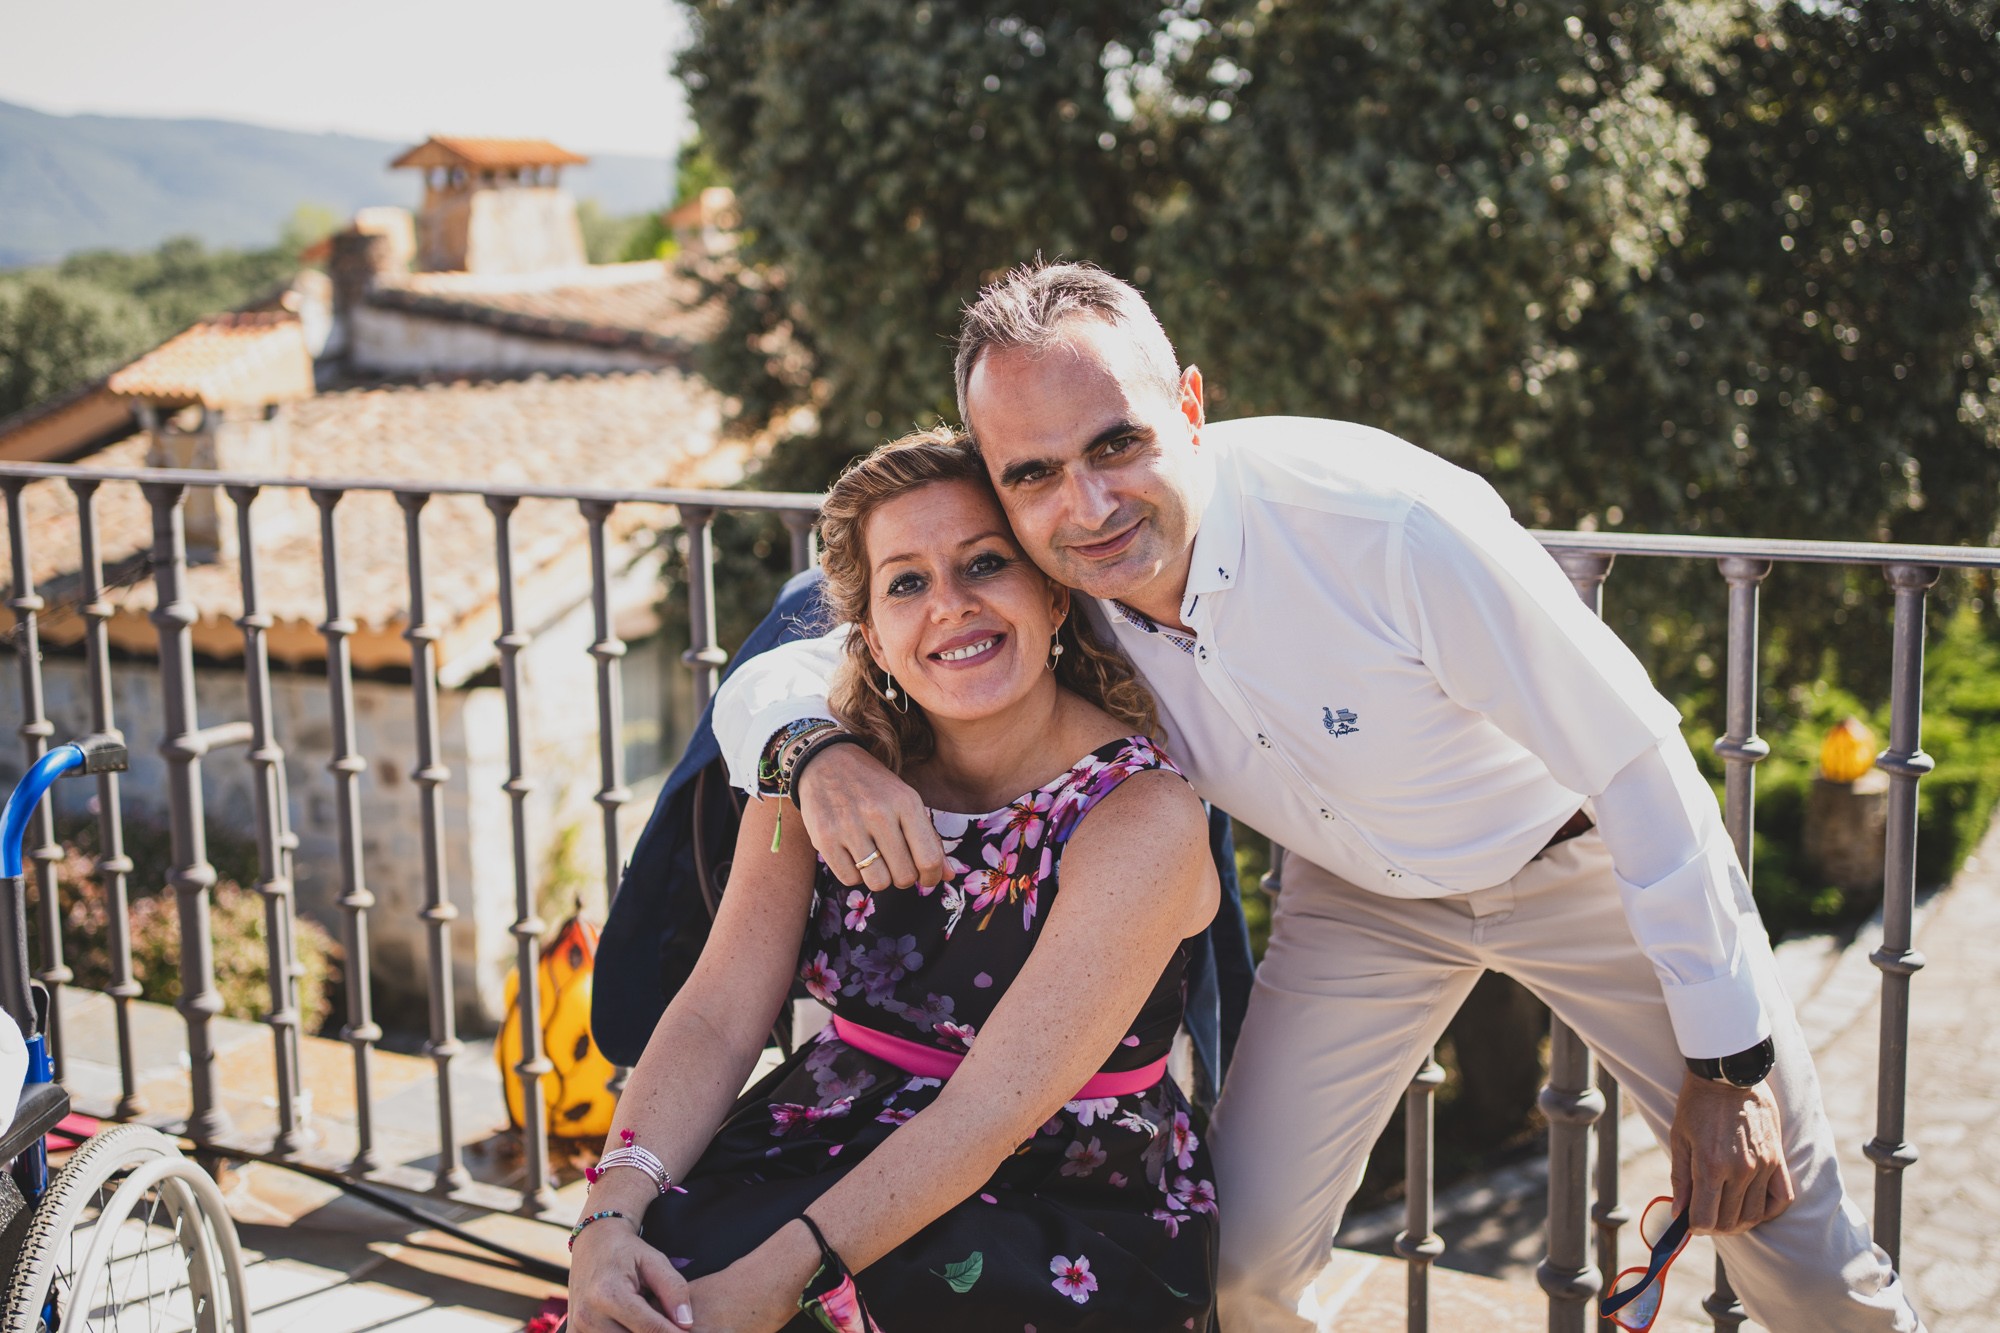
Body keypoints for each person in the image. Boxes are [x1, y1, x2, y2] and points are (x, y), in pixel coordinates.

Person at [710, 261, 1926, 1331]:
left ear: (1190, 407)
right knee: (1237, 1268)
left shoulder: (1386, 526)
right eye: (1033, 473)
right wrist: (813, 754)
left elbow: (1635, 756)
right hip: (1354, 901)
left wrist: (1728, 1062)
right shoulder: (1045, 572)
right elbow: (787, 665)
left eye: (1116, 444)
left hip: (1578, 864)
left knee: (1796, 1255)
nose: (1086, 504)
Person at [567, 428, 1221, 1333]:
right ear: (869, 633)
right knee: (645, 1283)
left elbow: (987, 1112)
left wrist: (778, 1283)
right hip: (823, 1133)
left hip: (1061, 1191)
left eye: (985, 563)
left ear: (1051, 591)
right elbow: (718, 1011)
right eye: (906, 582)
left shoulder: (1138, 816)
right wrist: (608, 1214)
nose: (949, 604)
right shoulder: (825, 776)